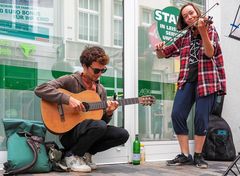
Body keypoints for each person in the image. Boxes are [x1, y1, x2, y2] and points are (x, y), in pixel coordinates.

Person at [35, 46, 129, 172]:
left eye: (103, 70)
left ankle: (84, 154)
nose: (99, 74)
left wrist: (109, 112)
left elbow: (100, 122)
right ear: (84, 66)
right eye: (96, 70)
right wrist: (68, 99)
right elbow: (40, 89)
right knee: (99, 126)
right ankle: (71, 156)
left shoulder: (101, 90)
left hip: (88, 132)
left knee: (122, 134)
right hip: (68, 134)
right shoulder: (70, 80)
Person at [155, 3, 226, 169]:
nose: (189, 17)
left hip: (207, 80)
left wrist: (203, 32)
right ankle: (185, 155)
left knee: (201, 118)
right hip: (188, 79)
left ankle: (198, 156)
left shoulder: (210, 29)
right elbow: (164, 53)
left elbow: (210, 53)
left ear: (197, 12)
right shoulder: (185, 37)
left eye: (191, 13)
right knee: (177, 114)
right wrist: (159, 49)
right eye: (185, 16)